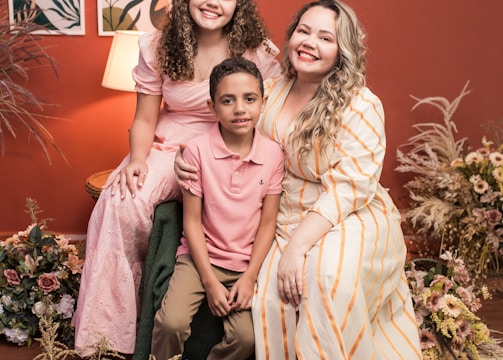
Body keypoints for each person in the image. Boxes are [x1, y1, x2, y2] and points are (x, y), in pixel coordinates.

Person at [176, 1, 422, 358]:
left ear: (342, 51)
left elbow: (350, 188)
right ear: (291, 37)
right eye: (303, 31)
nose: (310, 42)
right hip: (282, 210)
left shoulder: (360, 104)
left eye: (325, 37)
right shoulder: (271, 90)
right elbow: (228, 131)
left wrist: (296, 248)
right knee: (270, 297)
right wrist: (183, 156)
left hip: (346, 214)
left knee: (325, 279)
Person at [72, 0, 281, 355]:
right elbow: (143, 118)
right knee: (122, 200)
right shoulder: (159, 44)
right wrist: (138, 159)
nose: (213, 2)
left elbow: (268, 112)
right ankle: (110, 333)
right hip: (171, 147)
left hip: (233, 144)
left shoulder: (256, 49)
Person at [151, 57, 284, 360]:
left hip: (245, 263)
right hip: (200, 259)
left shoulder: (274, 154)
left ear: (263, 102)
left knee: (246, 338)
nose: (240, 109)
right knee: (172, 323)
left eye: (249, 99)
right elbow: (192, 223)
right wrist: (210, 282)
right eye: (227, 100)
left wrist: (250, 276)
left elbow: (267, 222)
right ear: (212, 108)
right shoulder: (196, 151)